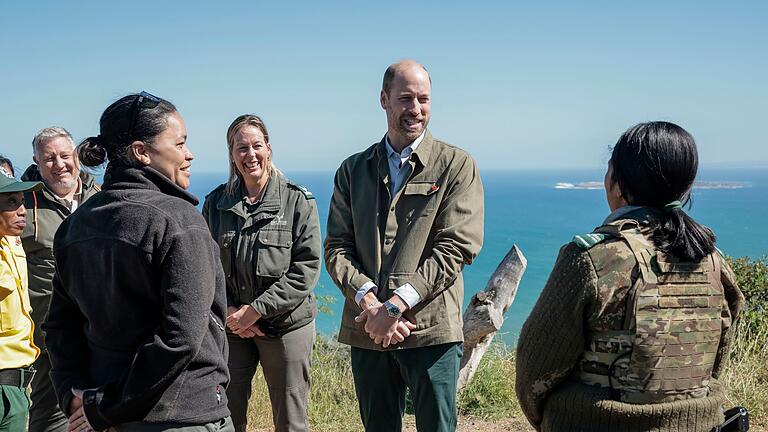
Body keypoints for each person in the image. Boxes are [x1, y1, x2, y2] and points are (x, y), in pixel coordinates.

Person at [515, 121, 745, 432]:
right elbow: (716, 362)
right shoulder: (713, 263)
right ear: (685, 185)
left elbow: (535, 367)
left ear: (618, 184)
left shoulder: (592, 259)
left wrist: (551, 419)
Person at [43, 92, 233, 431]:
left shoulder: (74, 226)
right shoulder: (180, 221)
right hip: (181, 415)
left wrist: (73, 394)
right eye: (179, 144)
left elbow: (60, 326)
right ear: (141, 152)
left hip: (108, 414)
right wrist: (106, 406)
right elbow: (181, 339)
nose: (189, 154)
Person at [324, 60, 484, 432]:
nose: (415, 109)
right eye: (405, 98)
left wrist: (394, 307)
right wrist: (370, 304)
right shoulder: (352, 170)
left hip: (429, 331)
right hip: (367, 330)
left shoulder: (455, 166)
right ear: (384, 99)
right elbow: (336, 248)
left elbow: (456, 248)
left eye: (423, 99)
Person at [203, 114, 321, 432]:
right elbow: (204, 266)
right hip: (231, 328)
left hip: (285, 327)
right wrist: (228, 312)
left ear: (268, 148)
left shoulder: (296, 201)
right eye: (242, 148)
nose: (250, 154)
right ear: (231, 154)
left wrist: (254, 311)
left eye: (257, 145)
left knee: (290, 422)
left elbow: (305, 269)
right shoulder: (215, 204)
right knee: (223, 418)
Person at [20, 127, 100, 432]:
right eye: (49, 158)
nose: (59, 164)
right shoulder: (22, 205)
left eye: (65, 156)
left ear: (77, 157)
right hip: (48, 330)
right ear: (36, 162)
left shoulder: (100, 196)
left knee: (102, 406)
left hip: (100, 323)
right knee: (51, 409)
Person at [0, 167, 42, 431]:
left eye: (22, 202)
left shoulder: (12, 245)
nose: (22, 211)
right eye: (11, 202)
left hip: (18, 387)